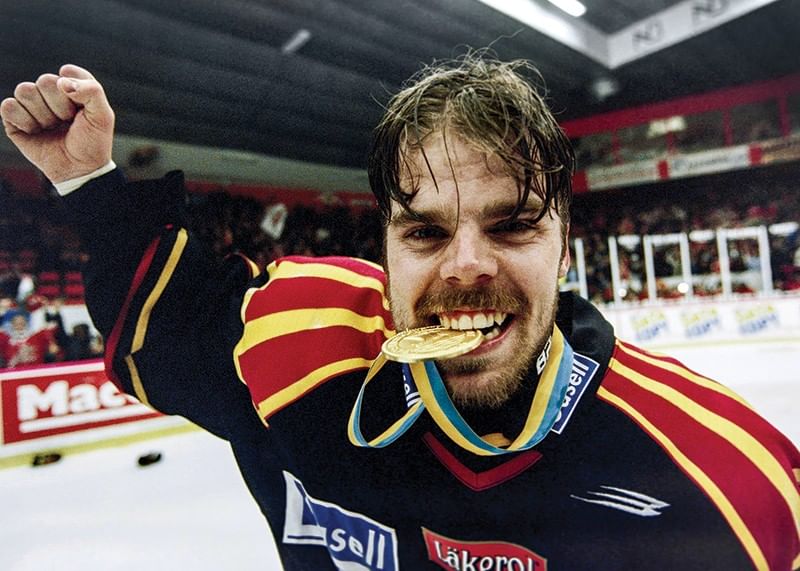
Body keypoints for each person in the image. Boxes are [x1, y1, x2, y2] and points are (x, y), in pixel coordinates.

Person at [2, 56, 798, 570]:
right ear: (385, 251)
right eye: (425, 232)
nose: (467, 264)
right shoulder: (293, 346)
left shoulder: (725, 484)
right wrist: (89, 183)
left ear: (564, 250)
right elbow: (163, 324)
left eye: (512, 224)